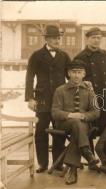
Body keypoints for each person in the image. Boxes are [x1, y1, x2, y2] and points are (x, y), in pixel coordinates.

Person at [25, 25, 71, 173]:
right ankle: (43, 164)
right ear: (46, 39)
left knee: (59, 131)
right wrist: (30, 98)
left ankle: (58, 163)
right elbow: (29, 77)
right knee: (41, 131)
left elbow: (70, 77)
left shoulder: (64, 56)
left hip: (60, 101)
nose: (57, 40)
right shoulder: (36, 55)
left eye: (58, 37)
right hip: (42, 100)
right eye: (53, 38)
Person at [51, 60, 100, 184]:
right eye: (74, 72)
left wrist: (83, 116)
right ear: (68, 73)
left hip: (83, 125)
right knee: (76, 124)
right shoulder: (60, 90)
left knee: (78, 128)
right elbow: (55, 112)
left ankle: (73, 170)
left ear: (84, 74)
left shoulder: (89, 91)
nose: (76, 75)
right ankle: (87, 152)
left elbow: (96, 112)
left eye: (79, 72)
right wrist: (71, 115)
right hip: (64, 124)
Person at [74, 27, 106, 135]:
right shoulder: (80, 56)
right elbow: (74, 78)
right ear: (87, 39)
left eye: (99, 38)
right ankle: (88, 151)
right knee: (89, 130)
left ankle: (104, 151)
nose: (96, 40)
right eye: (93, 37)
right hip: (89, 98)